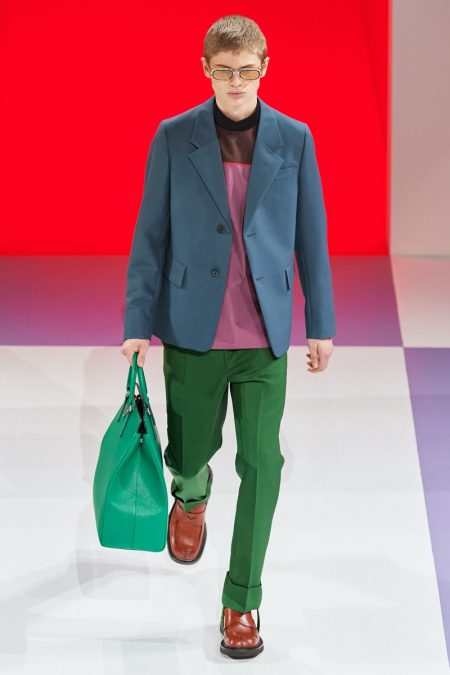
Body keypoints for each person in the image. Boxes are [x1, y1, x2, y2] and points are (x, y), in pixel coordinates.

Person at [120, 14, 335, 659]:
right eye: (223, 70)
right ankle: (190, 496)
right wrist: (136, 322)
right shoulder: (173, 136)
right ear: (206, 70)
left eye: (246, 70)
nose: (235, 81)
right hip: (193, 328)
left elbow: (311, 237)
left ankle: (242, 600)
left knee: (263, 464)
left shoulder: (294, 138)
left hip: (264, 333)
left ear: (264, 68)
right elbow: (150, 234)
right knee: (188, 452)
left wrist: (320, 323)